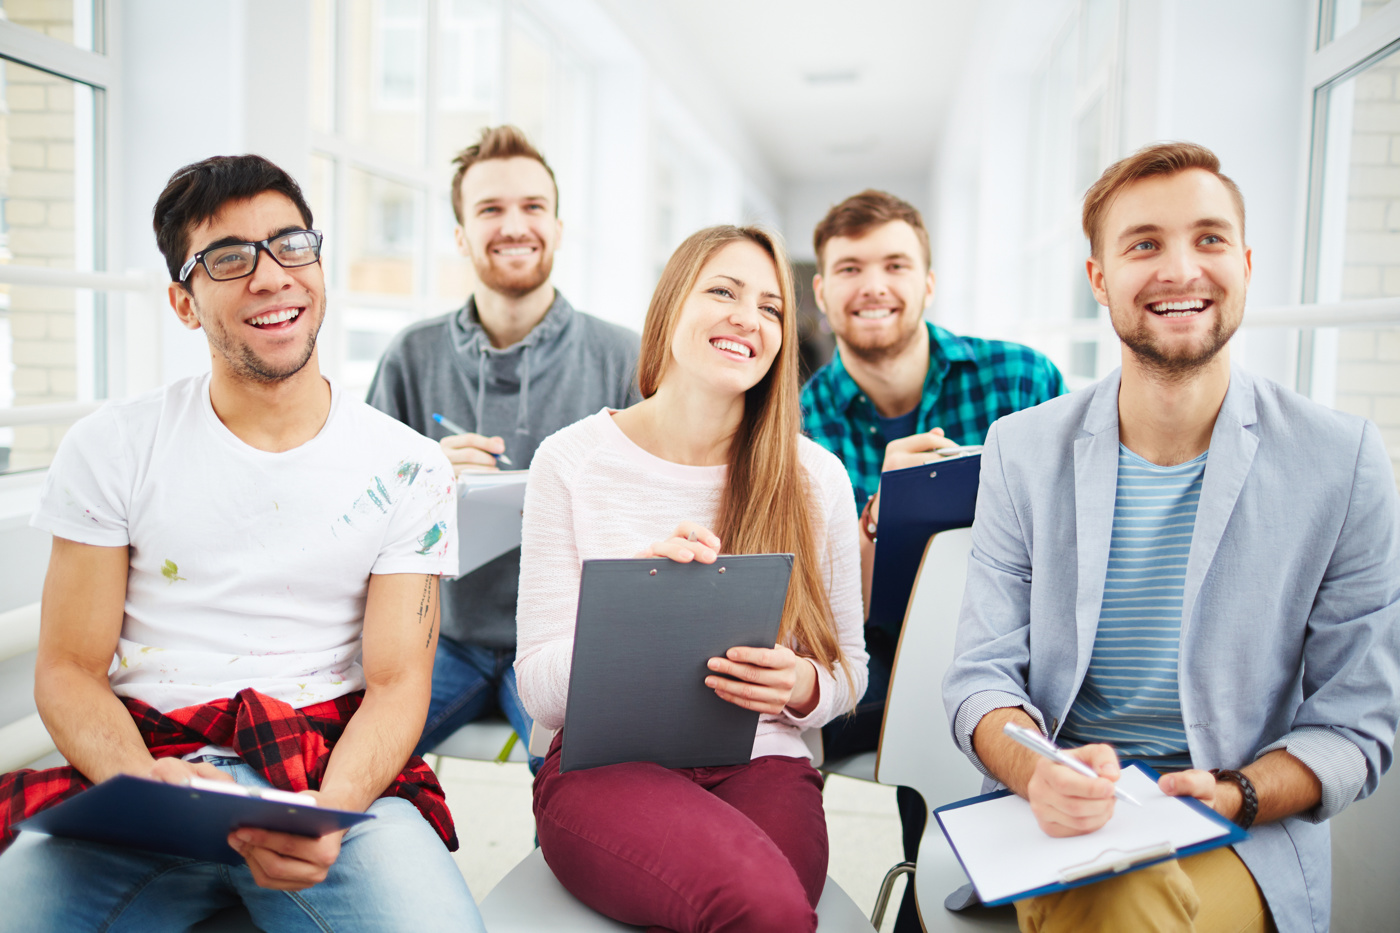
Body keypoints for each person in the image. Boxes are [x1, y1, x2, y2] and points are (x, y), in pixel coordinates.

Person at [0, 155, 484, 932]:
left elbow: (397, 683)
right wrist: (147, 789)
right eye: (228, 259)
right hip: (149, 763)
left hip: (324, 770)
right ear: (183, 303)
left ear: (319, 265)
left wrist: (326, 818)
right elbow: (68, 667)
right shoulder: (112, 446)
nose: (271, 276)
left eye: (291, 244)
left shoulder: (408, 466)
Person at [943, 142, 1400, 933]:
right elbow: (980, 677)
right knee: (1111, 892)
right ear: (1099, 278)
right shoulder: (1021, 448)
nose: (1181, 269)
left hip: (1240, 827)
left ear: (1247, 264)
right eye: (1144, 243)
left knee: (1118, 902)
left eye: (1210, 238)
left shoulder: (1343, 461)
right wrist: (1038, 772)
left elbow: (1357, 723)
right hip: (1056, 816)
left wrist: (1235, 791)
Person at [514, 225, 867, 931]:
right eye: (724, 291)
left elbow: (847, 672)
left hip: (764, 761)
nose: (749, 317)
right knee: (764, 908)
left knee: (767, 910)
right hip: (606, 766)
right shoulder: (571, 461)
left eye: (771, 307)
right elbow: (537, 690)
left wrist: (799, 685)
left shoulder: (815, 476)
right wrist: (636, 603)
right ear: (671, 307)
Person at [800, 189, 1066, 929]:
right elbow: (821, 601)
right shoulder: (801, 421)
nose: (874, 285)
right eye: (850, 268)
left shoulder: (1022, 377)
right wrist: (878, 516)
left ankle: (951, 895)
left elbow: (1076, 525)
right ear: (823, 293)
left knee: (977, 727)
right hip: (877, 650)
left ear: (928, 282)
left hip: (1016, 635)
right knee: (790, 732)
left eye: (895, 263)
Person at [368, 125, 639, 767]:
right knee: (344, 761)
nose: (514, 225)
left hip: (568, 641)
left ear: (559, 226)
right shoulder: (412, 355)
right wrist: (425, 478)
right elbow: (357, 510)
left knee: (592, 792)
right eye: (490, 209)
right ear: (461, 234)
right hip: (438, 638)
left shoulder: (626, 357)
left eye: (532, 207)